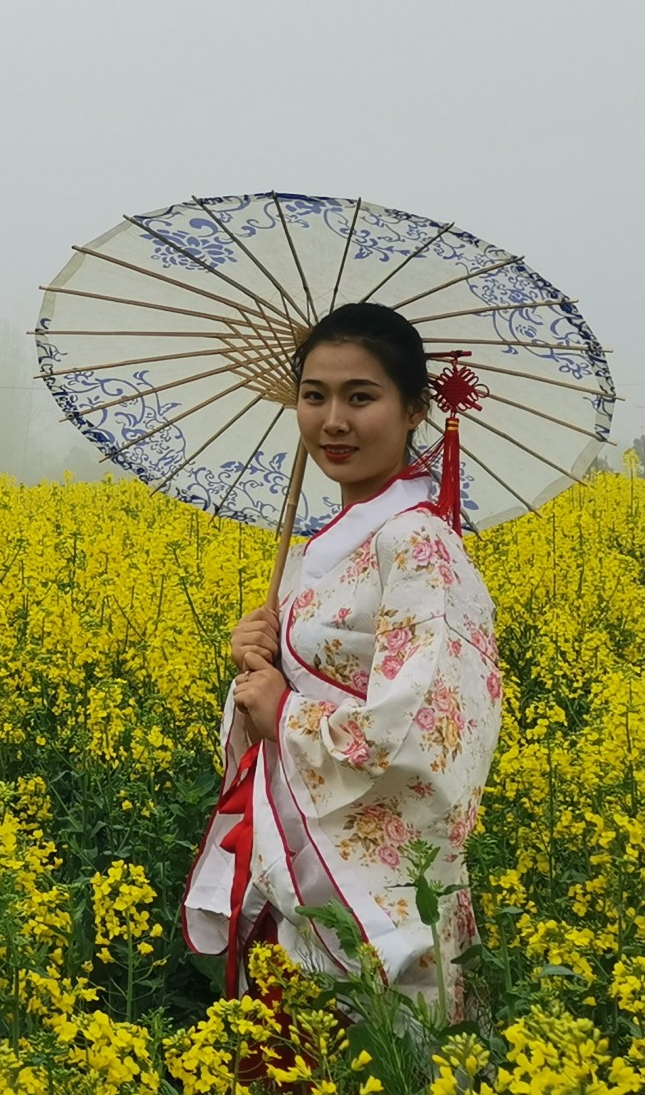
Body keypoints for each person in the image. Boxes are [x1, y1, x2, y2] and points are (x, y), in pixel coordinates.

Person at [183, 303, 502, 1018]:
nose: (333, 421)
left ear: (416, 406)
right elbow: (288, 694)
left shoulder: (416, 546)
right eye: (314, 395)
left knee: (368, 1055)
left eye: (361, 397)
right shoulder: (322, 551)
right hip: (295, 859)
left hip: (367, 886)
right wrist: (254, 662)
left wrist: (286, 712)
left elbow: (427, 733)